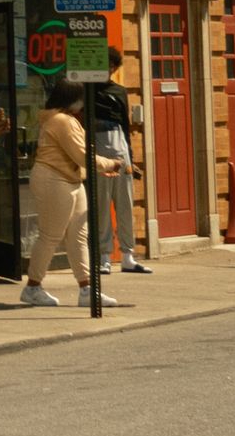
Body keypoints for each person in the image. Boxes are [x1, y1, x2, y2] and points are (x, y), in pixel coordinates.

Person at [19, 79, 132, 308]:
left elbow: (77, 157)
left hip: (69, 178)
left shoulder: (60, 119)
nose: (83, 103)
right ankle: (32, 287)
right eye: (81, 98)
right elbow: (82, 155)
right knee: (51, 235)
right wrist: (111, 164)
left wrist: (99, 168)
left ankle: (87, 289)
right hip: (54, 179)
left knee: (79, 235)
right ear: (72, 98)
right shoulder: (62, 121)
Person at [95, 47, 150, 273]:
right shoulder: (86, 90)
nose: (108, 69)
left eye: (111, 66)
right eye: (104, 65)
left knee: (125, 203)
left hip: (119, 146)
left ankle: (128, 255)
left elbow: (125, 125)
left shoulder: (119, 91)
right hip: (97, 147)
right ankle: (104, 256)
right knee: (101, 204)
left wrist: (131, 158)